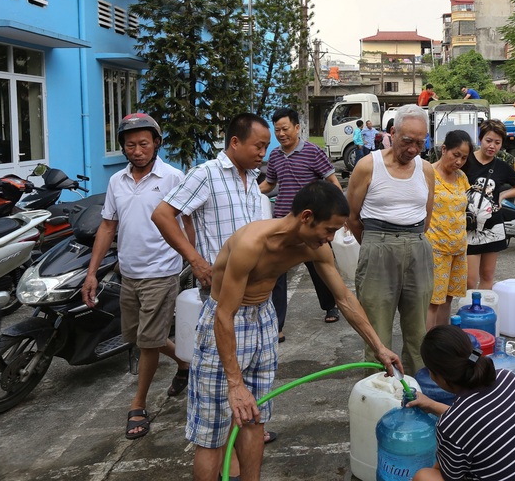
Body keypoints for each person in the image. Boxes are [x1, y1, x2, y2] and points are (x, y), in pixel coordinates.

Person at [185, 181, 403, 481]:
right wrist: (235, 385)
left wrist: (379, 346)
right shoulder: (251, 244)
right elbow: (224, 314)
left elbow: (344, 299)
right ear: (306, 217)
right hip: (226, 324)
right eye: (328, 230)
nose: (331, 238)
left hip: (264, 319)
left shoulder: (314, 247)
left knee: (254, 418)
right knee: (212, 432)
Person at [152, 112, 277, 471]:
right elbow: (163, 214)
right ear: (235, 143)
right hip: (222, 305)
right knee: (212, 424)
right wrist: (195, 259)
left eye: (266, 146)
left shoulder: (253, 180)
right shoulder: (206, 173)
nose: (263, 153)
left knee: (254, 413)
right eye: (258, 145)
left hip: (258, 309)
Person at [81, 113, 189, 440]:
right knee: (138, 336)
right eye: (131, 145)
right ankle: (186, 363)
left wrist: (197, 261)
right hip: (128, 272)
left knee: (147, 341)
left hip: (162, 271)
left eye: (144, 143)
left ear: (157, 143)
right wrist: (91, 274)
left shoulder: (173, 178)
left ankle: (138, 404)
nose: (137, 150)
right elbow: (107, 226)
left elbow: (188, 222)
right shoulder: (117, 181)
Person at [407, 325, 515, 481]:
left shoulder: (451, 426)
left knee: (425, 477)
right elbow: (478, 423)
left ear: (438, 376)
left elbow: (449, 474)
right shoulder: (507, 378)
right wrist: (430, 404)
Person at [346, 104, 436, 375]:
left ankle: (418, 391)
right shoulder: (367, 165)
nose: (413, 149)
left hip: (417, 247)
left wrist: (410, 243)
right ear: (392, 133)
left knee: (418, 330)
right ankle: (378, 393)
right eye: (407, 141)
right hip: (377, 246)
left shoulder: (426, 169)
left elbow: (427, 216)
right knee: (377, 329)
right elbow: (351, 216)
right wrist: (375, 244)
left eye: (420, 142)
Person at [260, 107, 343, 333]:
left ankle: (330, 306)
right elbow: (269, 184)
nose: (281, 134)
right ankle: (277, 325)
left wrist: (333, 212)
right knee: (277, 274)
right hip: (284, 223)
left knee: (320, 268)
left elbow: (332, 181)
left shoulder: (313, 152)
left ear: (297, 128)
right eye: (277, 130)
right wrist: (248, 193)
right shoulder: (275, 156)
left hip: (311, 225)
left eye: (285, 129)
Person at [464, 119, 515, 290]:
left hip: (494, 227)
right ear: (480, 139)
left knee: (488, 275)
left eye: (497, 143)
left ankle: (485, 311)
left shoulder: (502, 166)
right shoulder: (466, 162)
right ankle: (472, 312)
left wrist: (504, 195)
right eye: (488, 141)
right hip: (470, 227)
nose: (492, 146)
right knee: (470, 279)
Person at [425, 130, 472, 329]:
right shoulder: (428, 174)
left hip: (458, 249)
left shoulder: (461, 177)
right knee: (433, 301)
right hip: (436, 249)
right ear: (444, 149)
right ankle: (427, 348)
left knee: (448, 298)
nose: (459, 161)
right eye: (456, 155)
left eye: (464, 157)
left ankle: (442, 343)